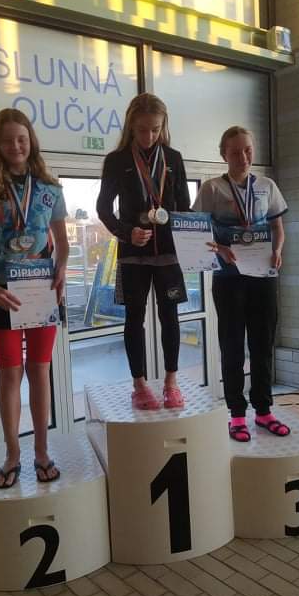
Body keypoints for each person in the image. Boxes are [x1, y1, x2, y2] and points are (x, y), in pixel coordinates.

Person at [0, 108, 69, 488]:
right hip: (2, 295)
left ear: (31, 141)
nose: (16, 146)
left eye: (21, 139)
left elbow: (63, 244)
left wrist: (62, 268)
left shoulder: (50, 188)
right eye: (8, 140)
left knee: (39, 371)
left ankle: (41, 452)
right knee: (10, 374)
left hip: (41, 293)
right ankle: (12, 454)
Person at [193, 126, 290, 441]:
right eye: (235, 152)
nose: (243, 157)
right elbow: (197, 233)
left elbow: (277, 228)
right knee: (232, 347)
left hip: (262, 277)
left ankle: (264, 411)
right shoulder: (212, 189)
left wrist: (278, 250)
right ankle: (236, 414)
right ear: (224, 155)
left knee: (262, 345)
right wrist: (220, 248)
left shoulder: (267, 186)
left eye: (248, 150)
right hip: (228, 279)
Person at [97, 93, 191, 410]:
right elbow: (103, 208)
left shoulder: (174, 158)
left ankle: (171, 383)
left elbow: (184, 207)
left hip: (168, 254)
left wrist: (192, 236)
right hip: (133, 254)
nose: (148, 136)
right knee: (134, 318)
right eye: (141, 130)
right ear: (130, 126)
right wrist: (127, 232)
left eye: (155, 129)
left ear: (163, 126)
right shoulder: (117, 160)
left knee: (170, 316)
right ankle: (139, 386)